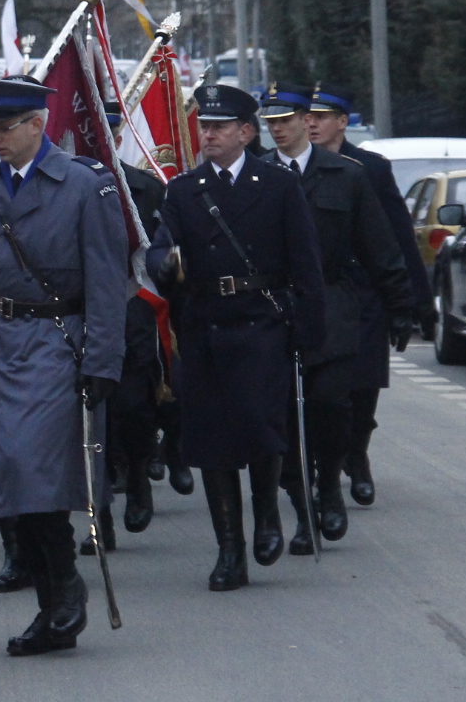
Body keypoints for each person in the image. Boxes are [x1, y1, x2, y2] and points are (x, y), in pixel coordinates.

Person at [0, 76, 128, 655]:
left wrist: (103, 360)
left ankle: (62, 594)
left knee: (36, 471)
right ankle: (53, 598)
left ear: (36, 125)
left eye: (4, 128)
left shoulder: (82, 186)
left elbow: (106, 280)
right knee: (7, 479)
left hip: (55, 341)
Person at [149, 84, 324, 592]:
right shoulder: (185, 190)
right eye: (204, 126)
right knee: (209, 441)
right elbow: (159, 249)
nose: (209, 134)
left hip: (261, 321)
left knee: (260, 425)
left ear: (245, 133)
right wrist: (166, 264)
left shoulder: (276, 184)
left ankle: (267, 512)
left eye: (220, 127)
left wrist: (309, 332)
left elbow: (305, 263)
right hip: (204, 324)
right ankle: (230, 548)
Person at [259, 83, 413, 546]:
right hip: (274, 310)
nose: (279, 131)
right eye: (271, 124)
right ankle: (302, 508)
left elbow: (380, 246)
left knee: (330, 404)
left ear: (307, 121)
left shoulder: (346, 175)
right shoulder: (257, 176)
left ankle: (329, 485)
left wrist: (400, 305)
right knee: (283, 417)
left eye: (286, 122)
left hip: (332, 305)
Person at [306, 85, 430, 505]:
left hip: (364, 295)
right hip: (319, 293)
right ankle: (321, 462)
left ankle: (356, 456)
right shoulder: (291, 170)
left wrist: (412, 304)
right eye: (308, 116)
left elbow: (396, 237)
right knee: (325, 389)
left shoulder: (370, 169)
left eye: (322, 117)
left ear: (343, 122)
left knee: (363, 386)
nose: (312, 123)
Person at [100, 100, 170, 543]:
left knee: (132, 409)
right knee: (88, 417)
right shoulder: (64, 187)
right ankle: (98, 511)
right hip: (78, 315)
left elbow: (159, 255)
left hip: (132, 315)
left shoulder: (145, 189)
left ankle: (139, 476)